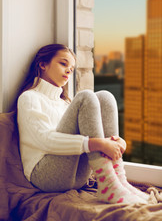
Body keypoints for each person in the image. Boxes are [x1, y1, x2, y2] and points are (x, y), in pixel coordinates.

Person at [17, 44, 148, 204]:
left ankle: (118, 179)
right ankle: (108, 183)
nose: (68, 71)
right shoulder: (30, 98)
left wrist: (116, 142)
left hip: (78, 177)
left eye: (71, 69)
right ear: (43, 64)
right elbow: (45, 140)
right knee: (86, 96)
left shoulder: (65, 104)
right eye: (63, 64)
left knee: (105, 97)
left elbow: (90, 134)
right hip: (45, 176)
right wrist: (95, 144)